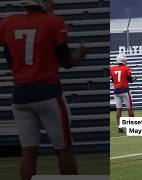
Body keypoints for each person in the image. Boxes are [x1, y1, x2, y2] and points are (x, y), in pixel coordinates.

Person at [0, 0, 88, 179]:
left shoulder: (8, 22)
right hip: (48, 94)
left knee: (28, 153)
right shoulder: (53, 21)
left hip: (20, 95)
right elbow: (67, 62)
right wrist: (81, 52)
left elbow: (10, 59)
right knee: (63, 149)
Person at [110, 54, 137, 133]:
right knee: (129, 108)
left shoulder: (112, 69)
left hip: (116, 91)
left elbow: (113, 80)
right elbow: (130, 80)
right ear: (122, 61)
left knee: (119, 109)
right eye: (125, 60)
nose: (126, 61)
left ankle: (120, 127)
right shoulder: (126, 68)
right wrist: (135, 79)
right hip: (125, 90)